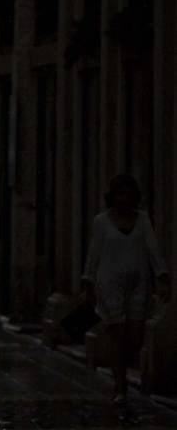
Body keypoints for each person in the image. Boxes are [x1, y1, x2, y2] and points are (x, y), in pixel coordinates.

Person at [81, 173, 171, 406]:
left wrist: (162, 275)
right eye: (120, 194)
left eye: (129, 194)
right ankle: (120, 385)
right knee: (117, 334)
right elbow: (94, 253)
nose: (124, 199)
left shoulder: (142, 220)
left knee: (136, 337)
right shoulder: (101, 222)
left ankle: (121, 371)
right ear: (113, 197)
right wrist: (88, 281)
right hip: (109, 284)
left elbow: (153, 248)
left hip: (139, 283)